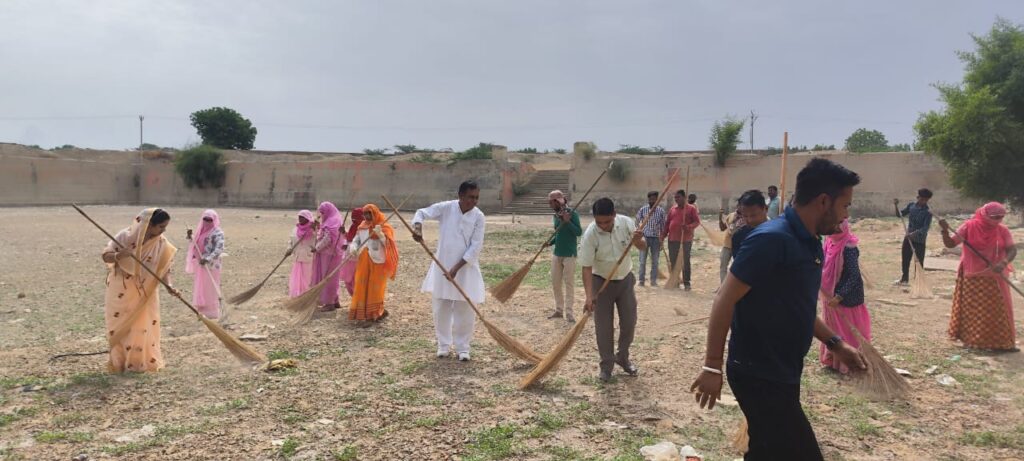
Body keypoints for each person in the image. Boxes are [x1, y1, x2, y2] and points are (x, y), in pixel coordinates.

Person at [690, 158, 867, 459]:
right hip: (758, 372)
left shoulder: (810, 241)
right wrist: (711, 365)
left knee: (765, 450)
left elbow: (797, 306)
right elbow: (724, 299)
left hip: (783, 369)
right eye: (845, 206)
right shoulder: (771, 240)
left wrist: (835, 343)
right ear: (824, 201)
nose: (846, 216)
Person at [412, 181, 486, 361]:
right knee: (441, 307)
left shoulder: (479, 216)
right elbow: (422, 212)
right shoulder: (447, 208)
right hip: (442, 266)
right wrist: (417, 227)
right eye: (470, 197)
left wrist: (456, 268)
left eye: (476, 197)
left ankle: (463, 348)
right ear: (460, 195)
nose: (474, 201)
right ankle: (443, 345)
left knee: (465, 308)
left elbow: (475, 247)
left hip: (465, 268)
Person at [101, 208, 179, 373]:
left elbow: (165, 269)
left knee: (142, 328)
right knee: (121, 327)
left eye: (165, 227)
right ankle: (120, 362)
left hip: (146, 294)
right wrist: (119, 255)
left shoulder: (162, 244)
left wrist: (169, 285)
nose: (163, 231)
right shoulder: (125, 237)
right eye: (160, 227)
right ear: (148, 225)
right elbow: (105, 255)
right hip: (121, 292)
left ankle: (138, 364)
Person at [580, 198, 647, 382]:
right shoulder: (590, 234)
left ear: (614, 215)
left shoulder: (626, 223)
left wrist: (638, 240)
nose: (603, 226)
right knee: (603, 328)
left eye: (607, 221)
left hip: (625, 280)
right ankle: (606, 366)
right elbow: (586, 267)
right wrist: (589, 295)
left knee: (629, 322)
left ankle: (623, 358)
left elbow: (642, 247)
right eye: (599, 222)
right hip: (601, 283)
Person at [939, 202, 1018, 351]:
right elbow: (950, 244)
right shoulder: (969, 226)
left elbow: (1012, 250)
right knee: (973, 309)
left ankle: (1000, 343)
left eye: (1001, 217)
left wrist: (1003, 263)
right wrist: (944, 230)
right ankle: (973, 341)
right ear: (984, 215)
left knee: (997, 310)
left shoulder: (1003, 230)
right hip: (972, 274)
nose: (997, 220)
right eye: (994, 217)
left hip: (995, 275)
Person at [819, 219, 872, 373]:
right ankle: (833, 361)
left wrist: (840, 296)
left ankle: (850, 363)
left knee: (847, 331)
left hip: (846, 297)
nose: (835, 231)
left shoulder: (849, 247)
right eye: (833, 228)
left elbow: (854, 275)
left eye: (838, 228)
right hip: (829, 295)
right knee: (833, 329)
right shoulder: (829, 243)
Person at [348, 204, 400, 323]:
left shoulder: (384, 226)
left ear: (374, 213)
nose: (367, 216)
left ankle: (374, 313)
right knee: (362, 284)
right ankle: (364, 312)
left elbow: (389, 244)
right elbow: (357, 240)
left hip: (378, 260)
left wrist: (381, 234)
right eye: (365, 213)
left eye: (369, 213)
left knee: (375, 287)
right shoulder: (362, 226)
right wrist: (353, 247)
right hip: (363, 260)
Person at [544, 190, 582, 323]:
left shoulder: (573, 214)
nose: (550, 204)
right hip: (557, 254)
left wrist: (568, 222)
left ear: (557, 202)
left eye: (551, 202)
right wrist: (550, 242)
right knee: (556, 283)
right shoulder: (556, 215)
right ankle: (559, 310)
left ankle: (569, 313)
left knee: (569, 284)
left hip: (570, 254)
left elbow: (578, 232)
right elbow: (558, 233)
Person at [185, 209, 224, 319]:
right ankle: (201, 309)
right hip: (200, 264)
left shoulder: (218, 232)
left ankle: (211, 312)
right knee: (201, 286)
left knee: (210, 287)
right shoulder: (200, 231)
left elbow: (219, 249)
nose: (207, 221)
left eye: (209, 219)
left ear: (214, 220)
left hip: (211, 265)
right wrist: (190, 237)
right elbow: (195, 244)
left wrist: (207, 259)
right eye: (205, 219)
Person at [663, 189, 701, 290]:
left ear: (684, 197)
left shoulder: (691, 209)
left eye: (678, 197)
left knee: (685, 262)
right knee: (673, 261)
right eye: (675, 198)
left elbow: (697, 222)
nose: (676, 200)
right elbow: (667, 224)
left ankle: (687, 283)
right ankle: (675, 281)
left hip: (685, 240)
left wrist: (688, 227)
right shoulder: (672, 209)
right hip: (672, 239)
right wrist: (662, 236)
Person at [312, 201, 346, 312]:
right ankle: (335, 300)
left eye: (323, 212)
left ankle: (329, 303)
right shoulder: (334, 219)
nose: (322, 214)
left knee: (328, 278)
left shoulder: (331, 222)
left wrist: (316, 248)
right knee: (333, 277)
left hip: (329, 254)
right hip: (333, 254)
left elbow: (328, 239)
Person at [896, 188, 934, 285]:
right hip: (908, 238)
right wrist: (895, 205)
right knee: (905, 259)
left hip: (919, 240)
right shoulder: (911, 206)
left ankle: (918, 281)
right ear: (918, 197)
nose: (924, 202)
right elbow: (899, 215)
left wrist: (913, 234)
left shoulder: (928, 212)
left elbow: (925, 228)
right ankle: (904, 279)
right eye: (922, 199)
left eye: (926, 200)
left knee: (919, 262)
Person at [635, 191, 667, 287]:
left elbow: (663, 226)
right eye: (650, 199)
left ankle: (653, 281)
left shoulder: (661, 211)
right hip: (644, 238)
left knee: (655, 261)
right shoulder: (643, 210)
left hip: (656, 239)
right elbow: (636, 222)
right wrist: (639, 233)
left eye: (654, 199)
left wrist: (662, 239)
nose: (652, 201)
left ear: (657, 200)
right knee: (642, 261)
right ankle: (641, 281)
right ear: (648, 199)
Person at [286, 210, 317, 297]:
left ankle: (304, 295)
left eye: (302, 217)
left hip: (308, 257)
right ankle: (296, 294)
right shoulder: (295, 229)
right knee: (296, 278)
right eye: (299, 217)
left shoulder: (313, 229)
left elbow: (317, 238)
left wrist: (314, 228)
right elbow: (290, 240)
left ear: (307, 218)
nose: (300, 219)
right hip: (297, 256)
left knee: (306, 278)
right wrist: (289, 249)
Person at [729, 190, 769, 256]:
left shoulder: (778, 233)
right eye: (745, 216)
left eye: (753, 215)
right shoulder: (739, 236)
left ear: (766, 209)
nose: (749, 220)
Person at [717, 205, 745, 283]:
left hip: (739, 247)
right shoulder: (731, 215)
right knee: (723, 266)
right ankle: (723, 286)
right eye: (738, 205)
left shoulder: (746, 218)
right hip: (727, 245)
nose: (739, 207)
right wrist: (720, 218)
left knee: (737, 268)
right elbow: (722, 228)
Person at [340, 207, 364, 296]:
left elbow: (360, 243)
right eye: (353, 218)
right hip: (349, 256)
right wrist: (343, 233)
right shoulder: (353, 226)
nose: (354, 220)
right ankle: (354, 296)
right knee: (348, 279)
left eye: (356, 218)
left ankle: (358, 298)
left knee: (355, 279)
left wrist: (349, 246)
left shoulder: (364, 228)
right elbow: (350, 238)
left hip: (357, 257)